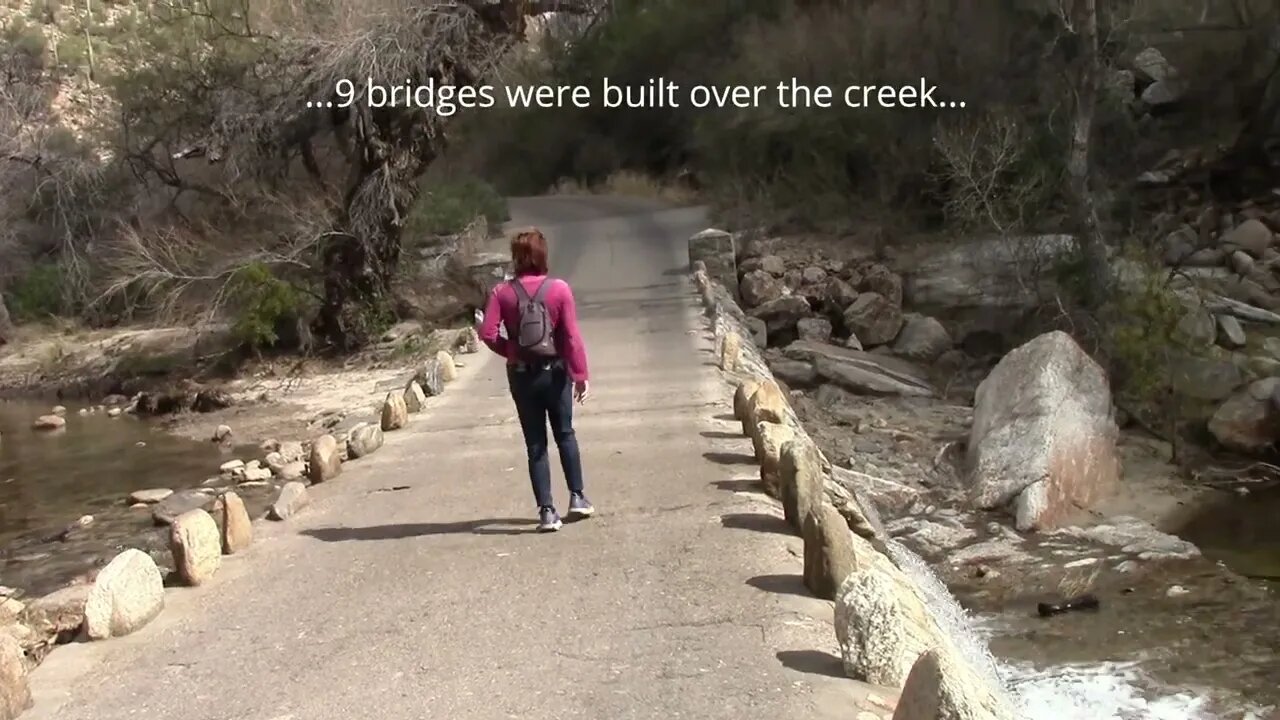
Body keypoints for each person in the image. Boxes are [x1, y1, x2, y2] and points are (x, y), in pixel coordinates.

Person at [478, 228, 592, 532]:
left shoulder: (501, 294)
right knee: (565, 433)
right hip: (555, 373)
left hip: (522, 376)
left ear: (516, 257)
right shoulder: (559, 289)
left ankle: (546, 512)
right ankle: (578, 498)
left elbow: (487, 334)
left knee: (535, 443)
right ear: (543, 255)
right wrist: (580, 375)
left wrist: (511, 350)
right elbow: (570, 337)